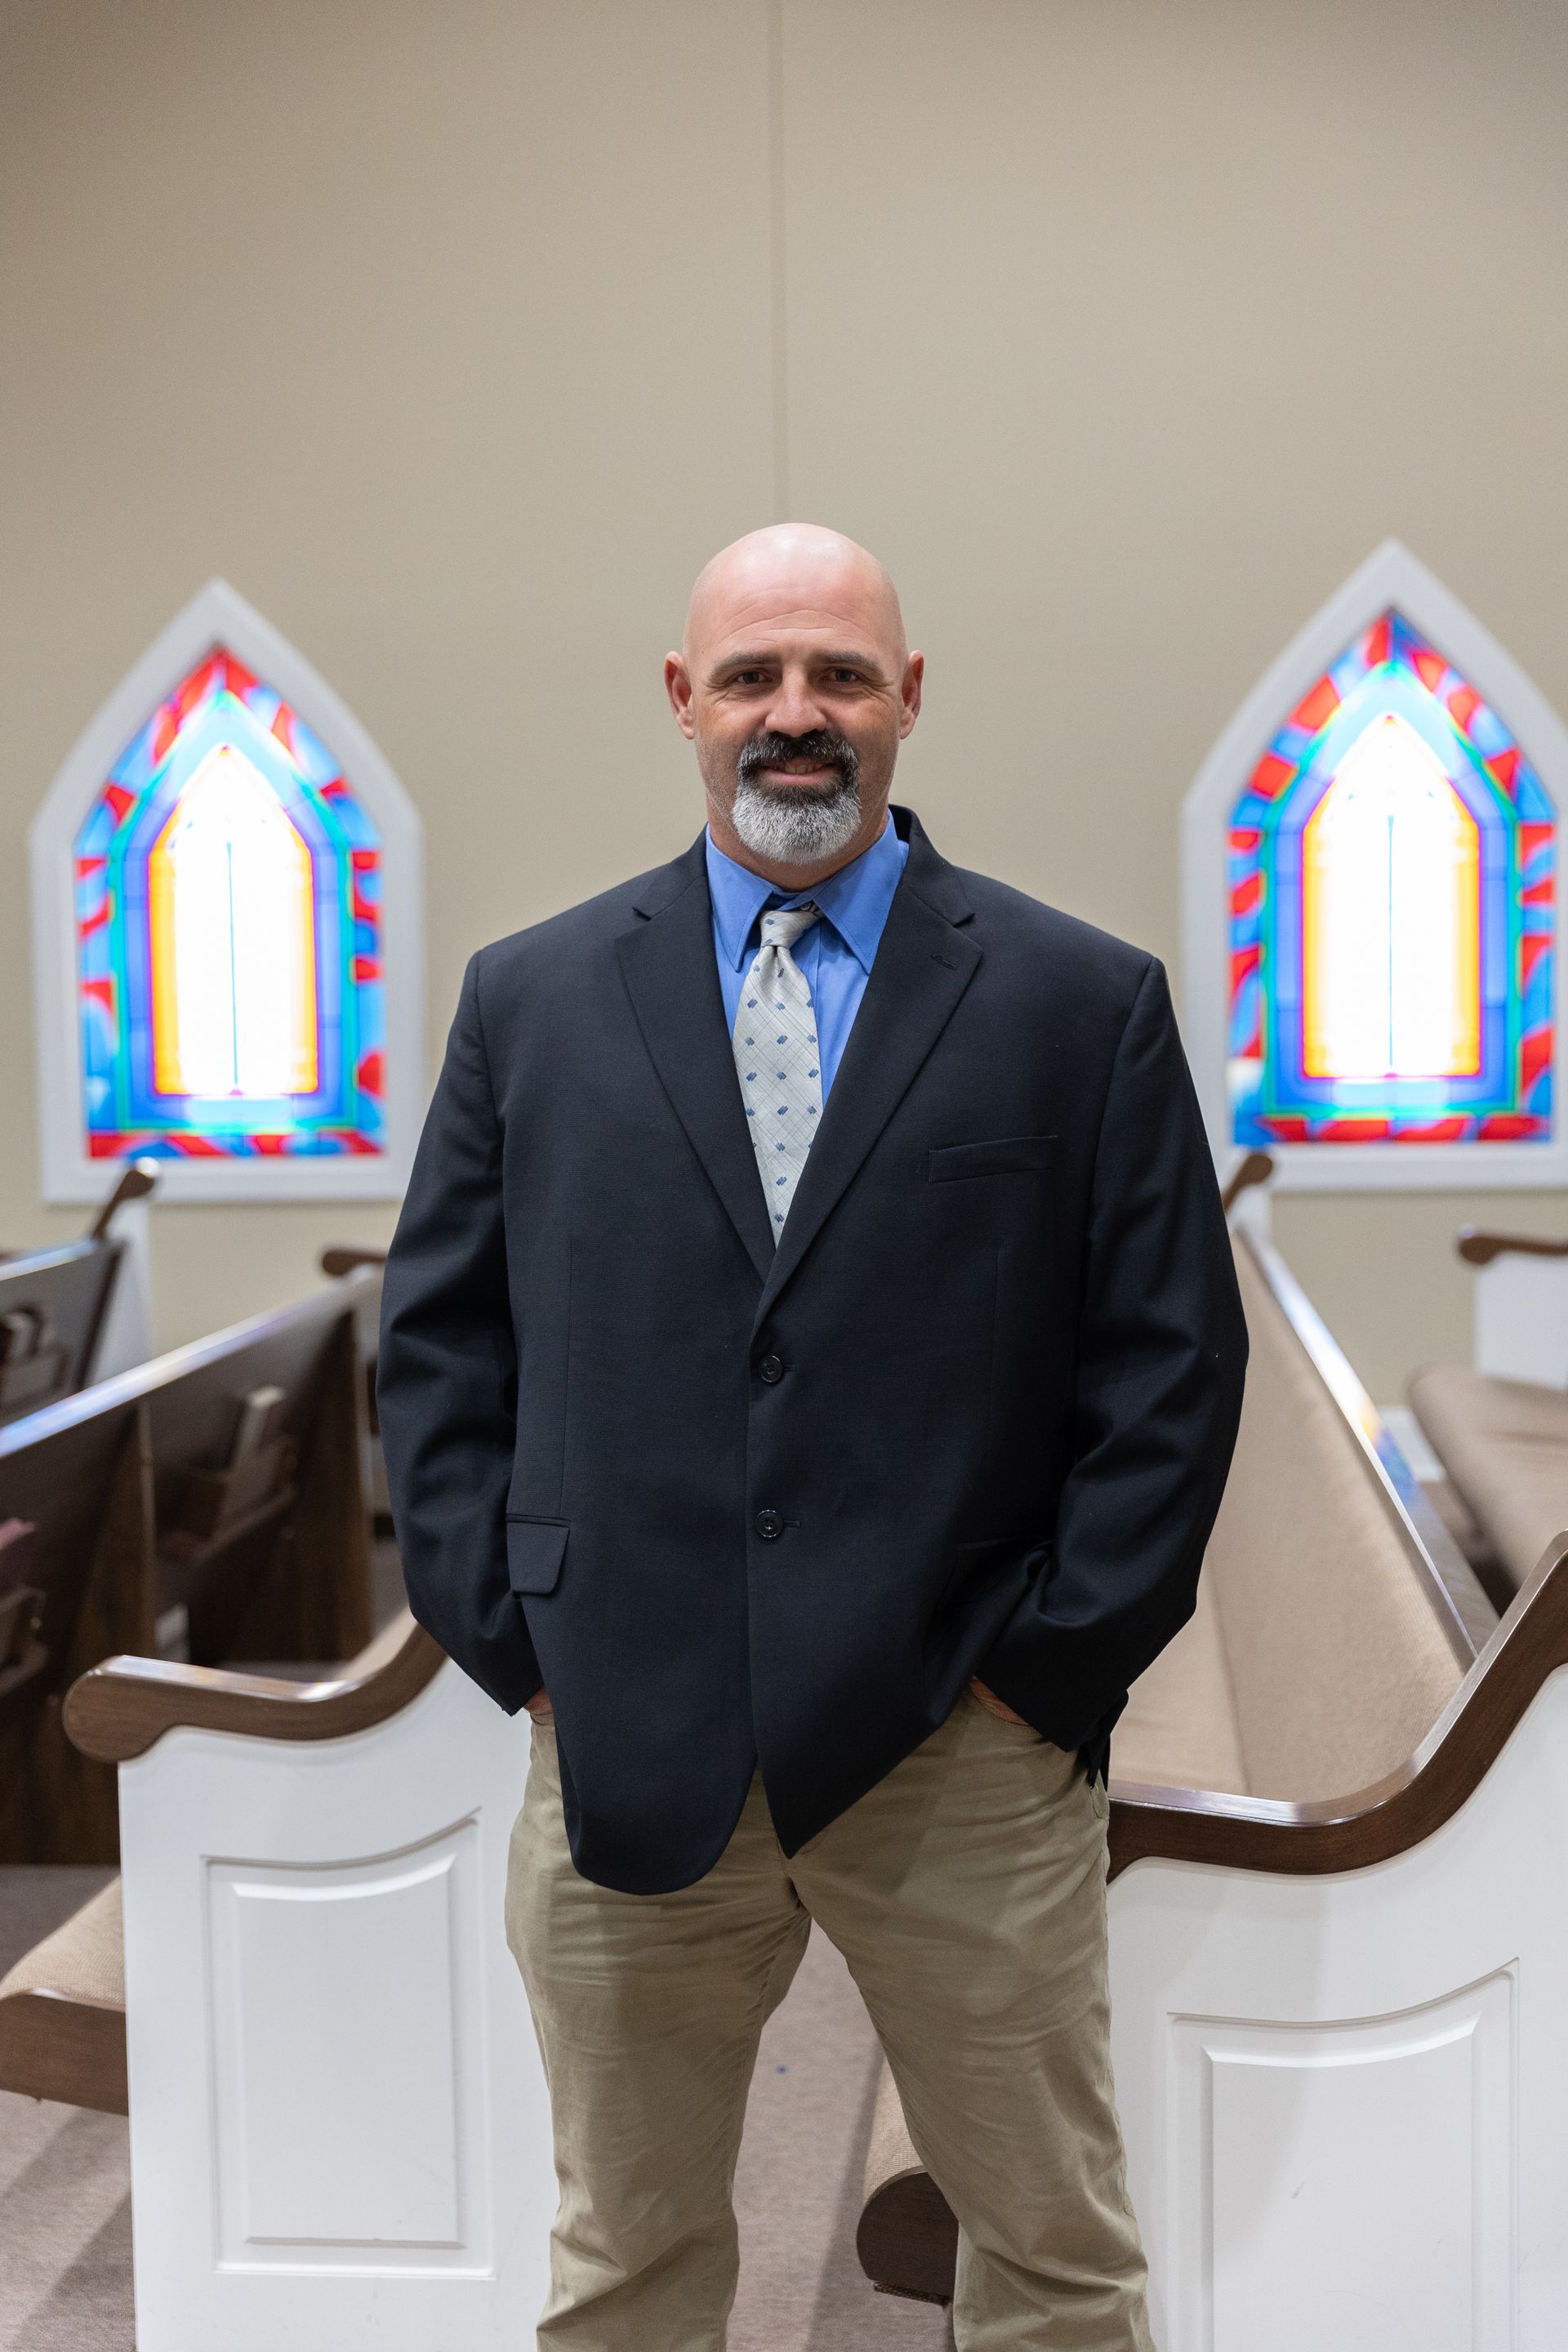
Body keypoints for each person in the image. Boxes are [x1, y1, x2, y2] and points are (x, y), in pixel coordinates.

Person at [378, 523, 1248, 2350]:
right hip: (629, 1733)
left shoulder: (1076, 1001)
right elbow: (444, 1355)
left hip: (961, 1742)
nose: (797, 713)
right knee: (625, 2261)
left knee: (1055, 2259)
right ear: (682, 699)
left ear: (907, 697)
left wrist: (1044, 1676)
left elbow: (1168, 1370)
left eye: (841, 674)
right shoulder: (532, 1001)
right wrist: (524, 1650)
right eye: (753, 675)